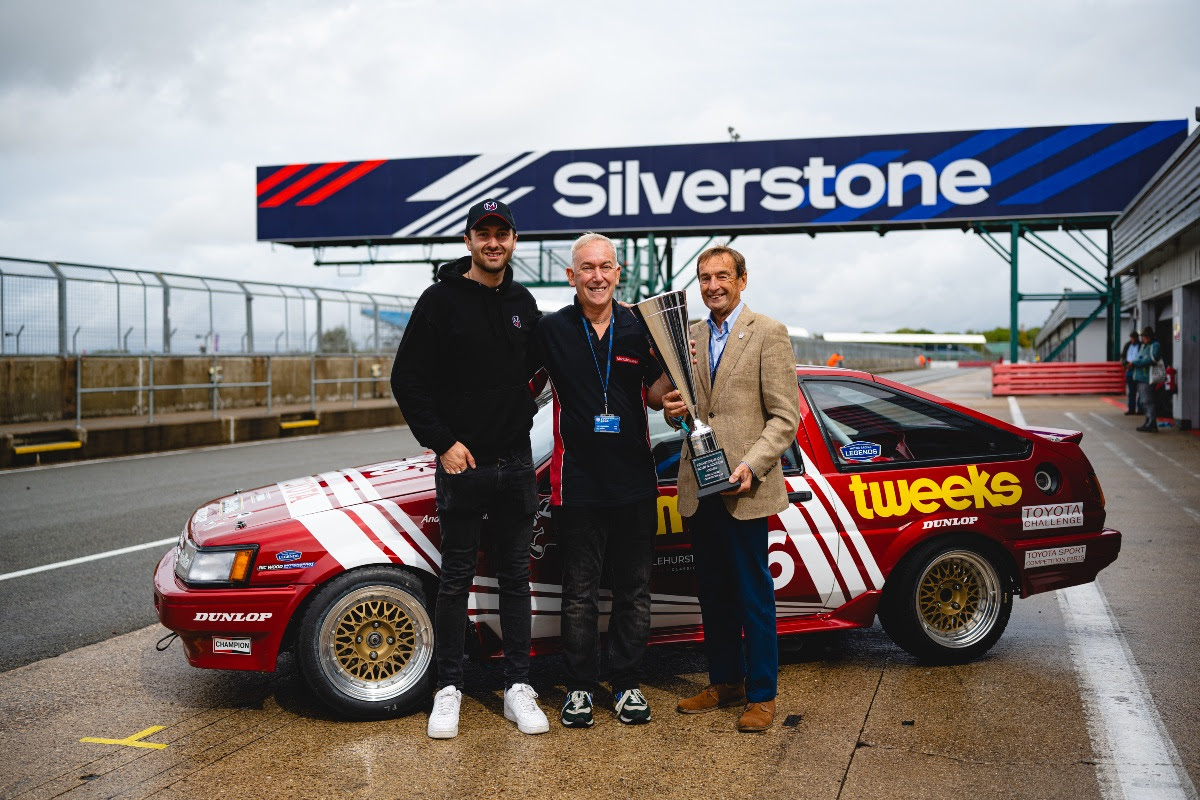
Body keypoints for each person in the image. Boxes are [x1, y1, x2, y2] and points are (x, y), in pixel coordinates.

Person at [390, 198, 549, 739]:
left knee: (515, 579)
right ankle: (448, 688)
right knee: (455, 579)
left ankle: (518, 687)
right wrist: (442, 443)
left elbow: (542, 372)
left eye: (501, 233)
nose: (493, 242)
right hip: (462, 463)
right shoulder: (438, 301)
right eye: (483, 233)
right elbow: (406, 381)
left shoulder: (524, 303)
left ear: (512, 241)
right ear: (468, 241)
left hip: (516, 463)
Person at [534, 232, 674, 729]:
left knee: (635, 591)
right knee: (579, 593)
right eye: (586, 268)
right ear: (572, 276)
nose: (597, 276)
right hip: (577, 486)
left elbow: (658, 393)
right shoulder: (551, 329)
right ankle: (578, 689)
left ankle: (628, 684)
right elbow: (516, 392)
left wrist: (677, 393)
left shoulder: (640, 326)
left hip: (636, 482)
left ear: (618, 273)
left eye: (606, 267)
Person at [661, 245, 801, 733]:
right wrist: (671, 410)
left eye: (722, 276)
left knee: (752, 595)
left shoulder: (768, 333)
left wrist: (753, 464)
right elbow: (683, 403)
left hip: (745, 486)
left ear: (742, 280)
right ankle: (725, 682)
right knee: (713, 594)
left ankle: (762, 694)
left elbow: (786, 417)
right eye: (704, 277)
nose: (712, 285)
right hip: (699, 484)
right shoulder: (690, 336)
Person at [1130, 325, 1161, 433]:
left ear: (1148, 336)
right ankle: (1149, 421)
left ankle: (1152, 422)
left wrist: (1135, 363)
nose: (1143, 338)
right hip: (1141, 377)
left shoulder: (1154, 345)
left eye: (1144, 336)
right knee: (1144, 401)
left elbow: (1152, 359)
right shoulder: (1145, 346)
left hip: (1147, 377)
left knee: (1148, 401)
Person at [1120, 330, 1142, 416]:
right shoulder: (1127, 345)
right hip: (1129, 370)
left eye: (1133, 338)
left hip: (1138, 369)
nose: (1132, 340)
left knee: (1139, 391)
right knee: (1131, 391)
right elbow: (1123, 356)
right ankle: (1131, 409)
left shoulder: (1141, 345)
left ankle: (1140, 409)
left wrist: (1133, 364)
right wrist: (1125, 365)